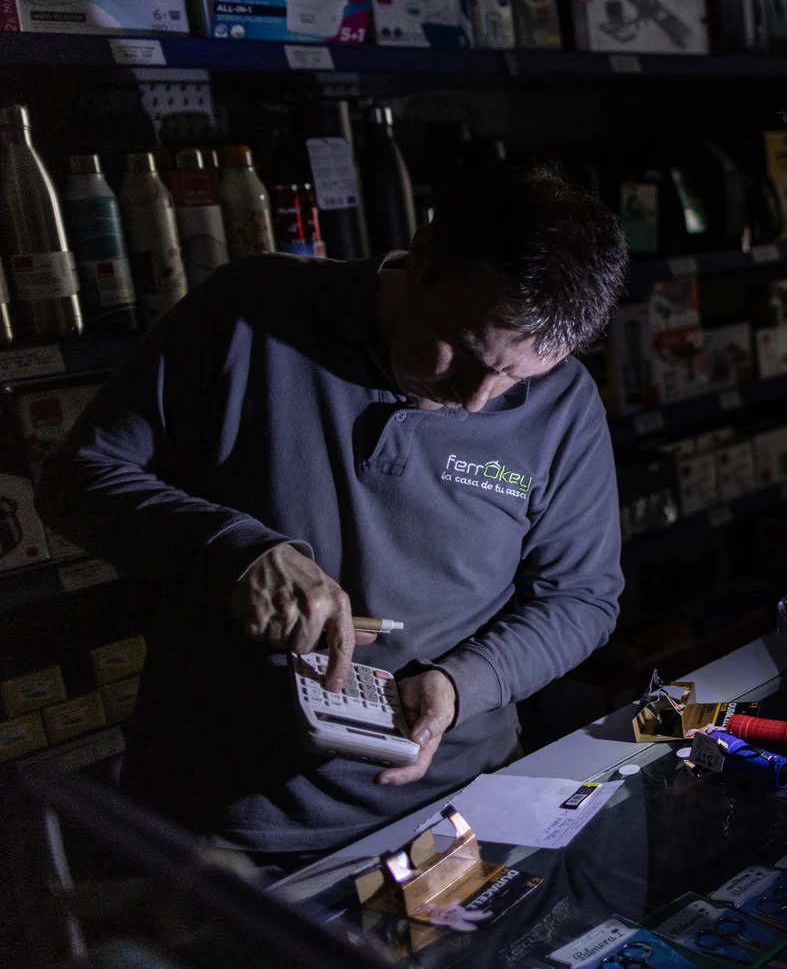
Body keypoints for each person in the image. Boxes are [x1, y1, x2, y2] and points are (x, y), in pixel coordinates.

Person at [38, 166, 628, 866]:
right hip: (233, 831)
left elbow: (582, 596)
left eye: (517, 378)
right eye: (468, 353)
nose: (477, 400)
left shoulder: (564, 404)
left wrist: (460, 684)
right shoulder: (249, 314)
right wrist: (235, 552)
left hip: (458, 808)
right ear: (426, 255)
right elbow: (75, 480)